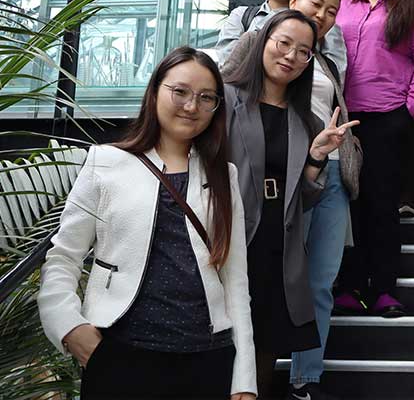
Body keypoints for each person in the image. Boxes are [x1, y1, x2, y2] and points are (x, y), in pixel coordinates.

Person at [38, 47, 256, 400]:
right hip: (121, 352)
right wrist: (69, 327)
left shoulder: (223, 175)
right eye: (180, 91)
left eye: (206, 98)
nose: (191, 106)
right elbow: (63, 256)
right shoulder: (106, 162)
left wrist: (244, 379)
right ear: (155, 91)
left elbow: (235, 280)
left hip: (207, 358)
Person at [223, 10, 358, 398]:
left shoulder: (304, 119)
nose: (291, 57)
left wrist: (316, 159)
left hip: (276, 239)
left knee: (264, 338)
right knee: (223, 336)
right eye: (284, 43)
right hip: (232, 233)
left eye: (304, 51)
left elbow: (303, 198)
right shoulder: (227, 99)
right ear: (263, 40)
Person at [332, 0, 414, 317]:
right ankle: (351, 285)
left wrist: (406, 113)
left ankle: (384, 289)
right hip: (342, 121)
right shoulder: (342, 6)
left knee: (380, 206)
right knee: (349, 206)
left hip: (388, 119)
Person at [286, 0, 351, 400]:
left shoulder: (326, 62)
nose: (323, 16)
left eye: (332, 11)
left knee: (321, 281)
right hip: (289, 175)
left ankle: (306, 376)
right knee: (276, 274)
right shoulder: (270, 49)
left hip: (331, 174)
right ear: (294, 2)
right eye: (316, 5)